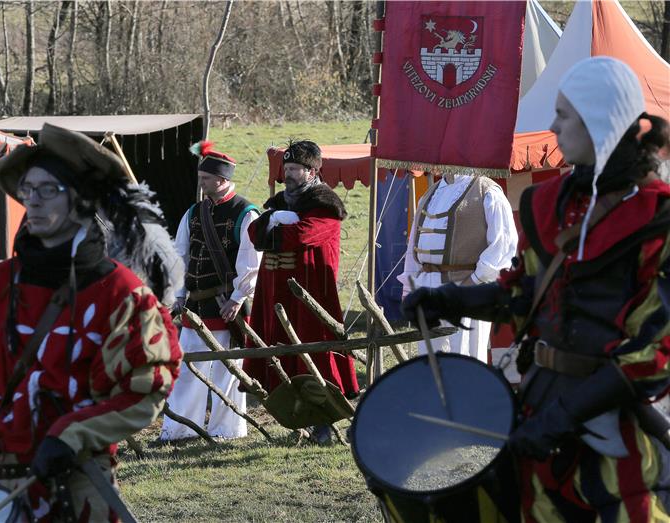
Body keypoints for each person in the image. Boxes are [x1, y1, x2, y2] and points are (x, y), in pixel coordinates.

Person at [403, 57, 670, 521]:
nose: (552, 125)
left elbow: (653, 352)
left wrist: (565, 416)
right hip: (539, 403)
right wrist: (448, 297)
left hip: (611, 418)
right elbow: (522, 295)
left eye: (564, 115)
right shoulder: (551, 205)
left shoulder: (658, 219)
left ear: (599, 122)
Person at [0, 124, 183, 522]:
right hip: (1, 485)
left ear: (79, 201)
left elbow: (145, 393)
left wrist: (71, 435)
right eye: (28, 189)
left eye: (47, 190)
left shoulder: (120, 294)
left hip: (79, 490)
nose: (32, 202)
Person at [244, 139, 360, 444]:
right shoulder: (281, 203)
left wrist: (274, 226)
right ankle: (298, 419)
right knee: (282, 353)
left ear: (312, 171)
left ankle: (324, 421)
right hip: (276, 294)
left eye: (296, 169)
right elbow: (254, 233)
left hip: (309, 293)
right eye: (287, 167)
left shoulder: (325, 205)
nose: (289, 174)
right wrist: (274, 218)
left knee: (314, 353)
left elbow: (304, 234)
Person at [159, 141, 261, 441]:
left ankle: (226, 430)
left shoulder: (246, 213)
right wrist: (177, 296)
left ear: (222, 179)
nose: (201, 184)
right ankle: (177, 431)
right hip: (195, 305)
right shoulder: (193, 212)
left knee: (227, 371)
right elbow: (180, 255)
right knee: (188, 370)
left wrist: (237, 298)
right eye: (201, 178)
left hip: (227, 305)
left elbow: (251, 261)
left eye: (206, 179)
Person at [397, 171, 517, 363]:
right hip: (427, 288)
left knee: (465, 360)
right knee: (431, 360)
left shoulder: (487, 191)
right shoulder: (430, 194)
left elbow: (503, 246)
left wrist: (474, 281)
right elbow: (413, 247)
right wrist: (410, 288)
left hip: (466, 287)